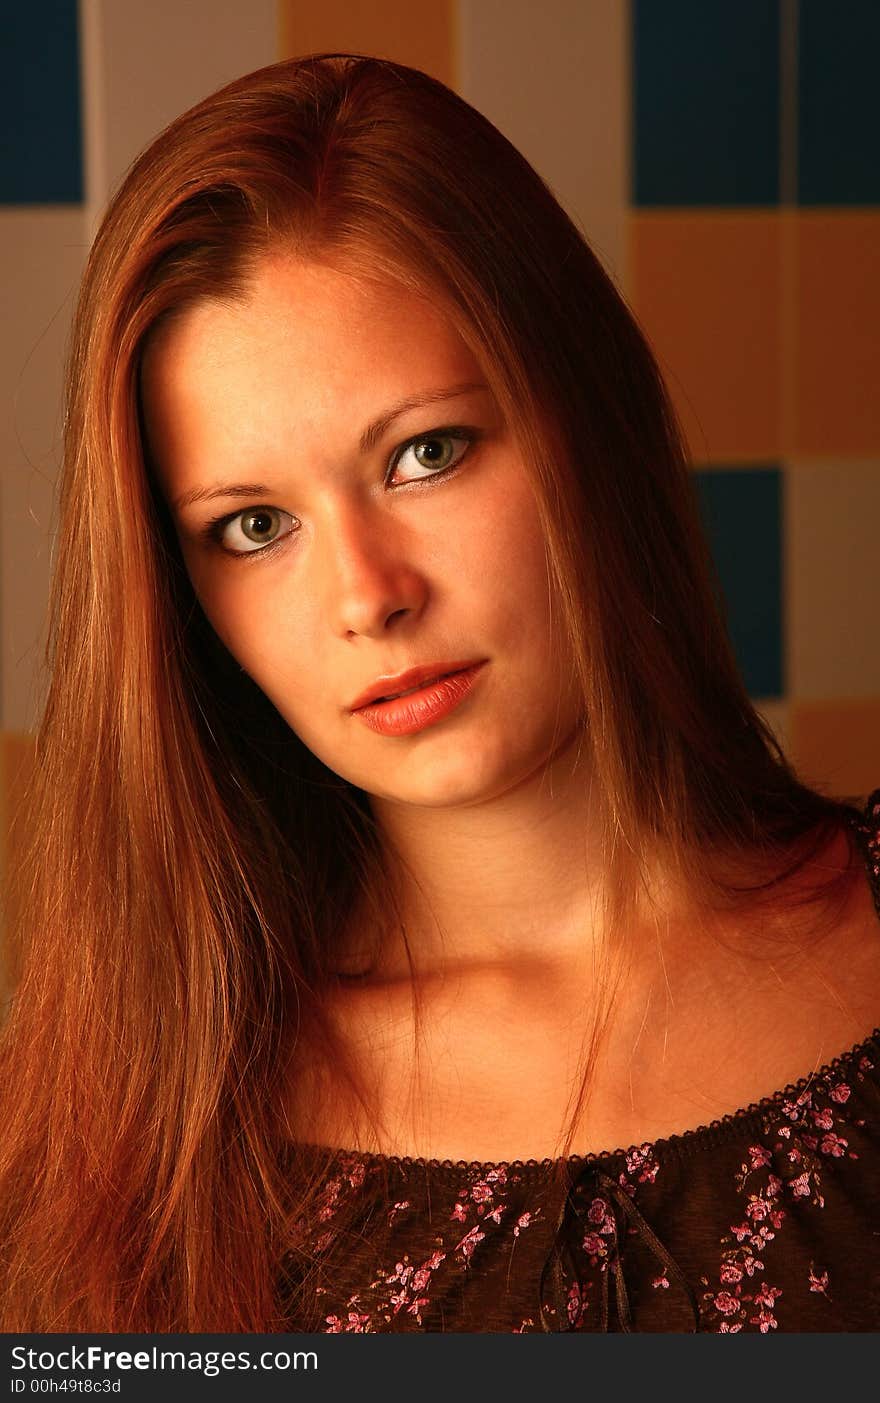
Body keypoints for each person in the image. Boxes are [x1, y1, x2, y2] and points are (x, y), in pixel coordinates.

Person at [0, 53, 878, 1336]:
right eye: (252, 525)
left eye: (425, 453)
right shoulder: (95, 1141)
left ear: (586, 419)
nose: (367, 594)